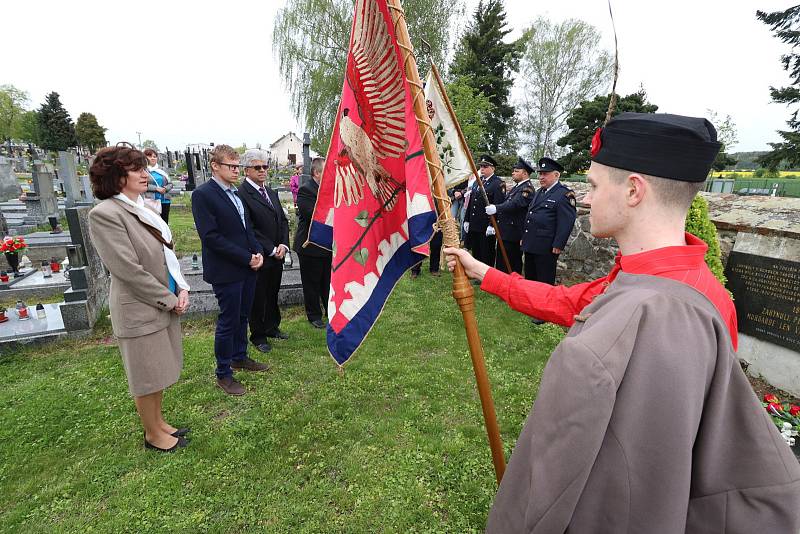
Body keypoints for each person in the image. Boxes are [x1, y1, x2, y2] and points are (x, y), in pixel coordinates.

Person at [445, 113, 800, 533]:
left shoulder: (674, 303)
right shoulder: (678, 286)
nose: (587, 199)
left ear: (633, 190)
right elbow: (563, 301)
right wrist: (483, 272)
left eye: (595, 186)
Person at [88, 144, 191, 453]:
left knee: (157, 369)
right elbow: (127, 269)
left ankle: (159, 423)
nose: (145, 174)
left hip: (160, 300)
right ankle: (152, 435)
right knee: (145, 374)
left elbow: (165, 253)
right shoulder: (105, 214)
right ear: (116, 176)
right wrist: (168, 298)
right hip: (140, 307)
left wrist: (181, 286)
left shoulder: (139, 206)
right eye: (137, 169)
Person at [191, 144, 268, 397]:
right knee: (228, 320)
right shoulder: (204, 195)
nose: (236, 170)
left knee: (243, 315)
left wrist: (257, 253)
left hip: (247, 267)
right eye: (231, 166)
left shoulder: (235, 194)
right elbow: (211, 237)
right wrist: (247, 257)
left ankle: (239, 356)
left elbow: (247, 230)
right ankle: (223, 373)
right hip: (226, 270)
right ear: (215, 166)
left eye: (237, 166)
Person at [237, 149, 290, 353]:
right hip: (260, 254)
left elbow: (283, 222)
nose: (262, 171)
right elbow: (249, 227)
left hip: (278, 254)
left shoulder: (271, 192)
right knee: (258, 296)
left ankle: (271, 326)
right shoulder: (242, 194)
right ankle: (258, 335)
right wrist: (270, 248)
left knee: (272, 292)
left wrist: (283, 245)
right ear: (247, 170)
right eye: (257, 167)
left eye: (265, 167)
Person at [521, 157, 576, 285]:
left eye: (545, 174)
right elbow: (531, 215)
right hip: (531, 243)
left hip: (546, 245)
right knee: (530, 277)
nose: (541, 177)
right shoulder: (540, 192)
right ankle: (531, 302)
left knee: (544, 279)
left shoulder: (564, 195)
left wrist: (558, 244)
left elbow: (567, 221)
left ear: (556, 175)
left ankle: (543, 304)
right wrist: (525, 236)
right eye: (540, 174)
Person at [294, 157, 332, 329]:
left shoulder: (329, 190)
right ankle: (314, 315)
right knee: (312, 283)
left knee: (327, 281)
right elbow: (313, 215)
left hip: (327, 245)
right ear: (317, 173)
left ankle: (330, 311)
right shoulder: (305, 190)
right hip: (309, 246)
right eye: (327, 170)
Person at [485, 157, 535, 275]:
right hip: (506, 231)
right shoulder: (517, 187)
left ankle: (512, 286)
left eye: (516, 171)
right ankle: (502, 284)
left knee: (513, 262)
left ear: (525, 173)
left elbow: (514, 204)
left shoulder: (527, 189)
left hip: (514, 233)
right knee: (502, 261)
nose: (513, 172)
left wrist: (496, 208)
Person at [463, 155, 505, 267]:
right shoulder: (477, 182)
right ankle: (477, 272)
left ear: (492, 168)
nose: (482, 169)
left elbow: (498, 205)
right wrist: (467, 219)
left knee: (486, 251)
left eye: (485, 166)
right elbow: (471, 201)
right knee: (476, 250)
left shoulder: (497, 183)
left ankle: (486, 274)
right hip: (475, 222)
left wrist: (492, 225)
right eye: (481, 166)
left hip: (486, 224)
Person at [143, 148, 174, 223]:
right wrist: (156, 189)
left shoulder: (163, 170)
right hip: (151, 200)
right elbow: (142, 184)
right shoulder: (143, 170)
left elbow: (170, 183)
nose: (153, 158)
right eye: (150, 156)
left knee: (164, 222)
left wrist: (165, 188)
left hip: (164, 200)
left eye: (154, 156)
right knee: (153, 222)